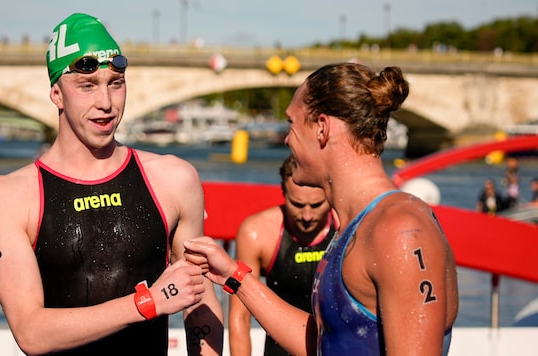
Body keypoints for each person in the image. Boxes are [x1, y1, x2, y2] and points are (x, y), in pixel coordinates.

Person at [0, 13, 223, 355]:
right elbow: (30, 332)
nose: (106, 103)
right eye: (87, 85)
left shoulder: (174, 179)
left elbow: (198, 300)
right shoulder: (7, 197)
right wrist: (147, 303)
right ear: (57, 94)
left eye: (116, 83)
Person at [185, 62, 459, 355]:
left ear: (322, 128)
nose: (287, 138)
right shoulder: (356, 226)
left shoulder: (399, 229)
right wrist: (233, 275)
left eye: (292, 122)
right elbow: (325, 340)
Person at [229, 154, 338, 356]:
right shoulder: (257, 233)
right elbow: (240, 316)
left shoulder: (347, 227)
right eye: (297, 204)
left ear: (330, 195)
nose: (307, 216)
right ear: (283, 193)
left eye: (316, 205)